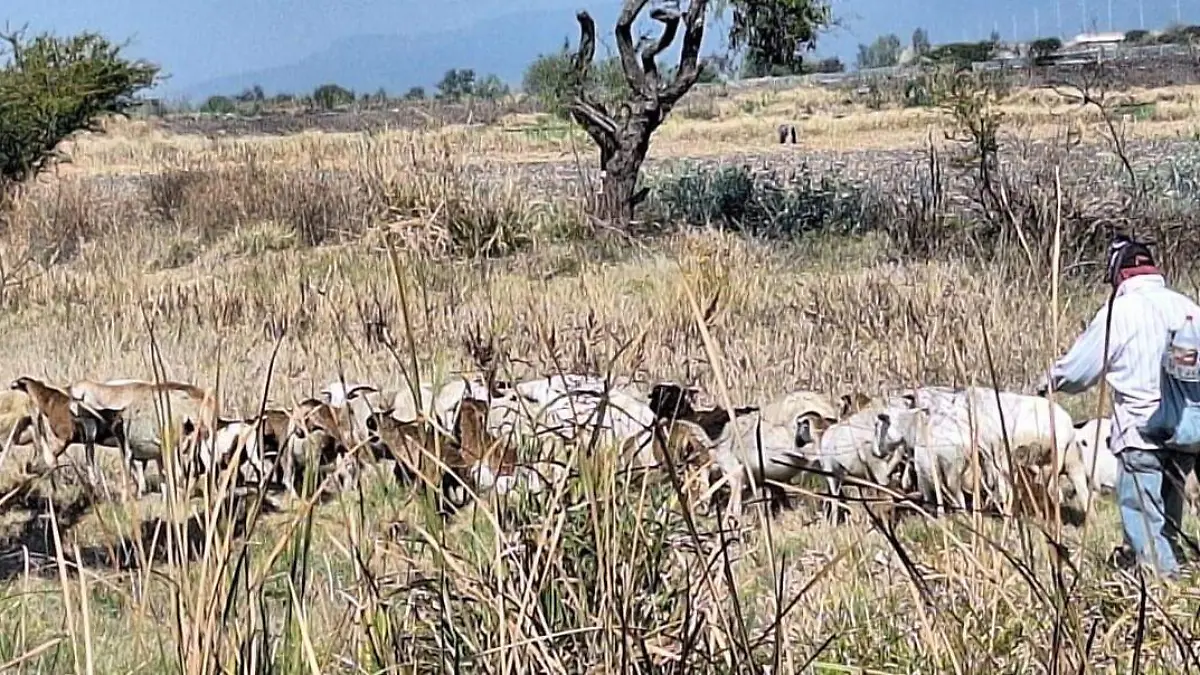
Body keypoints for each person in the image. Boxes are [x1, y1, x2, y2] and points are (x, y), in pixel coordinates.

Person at [1036, 235, 1200, 579]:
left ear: (1118, 275)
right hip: (1187, 430)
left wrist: (1049, 382)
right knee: (1168, 518)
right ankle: (1179, 588)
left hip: (1141, 432)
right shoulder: (1189, 308)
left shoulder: (1119, 311)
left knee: (1143, 518)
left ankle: (1161, 592)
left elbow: (1081, 372)